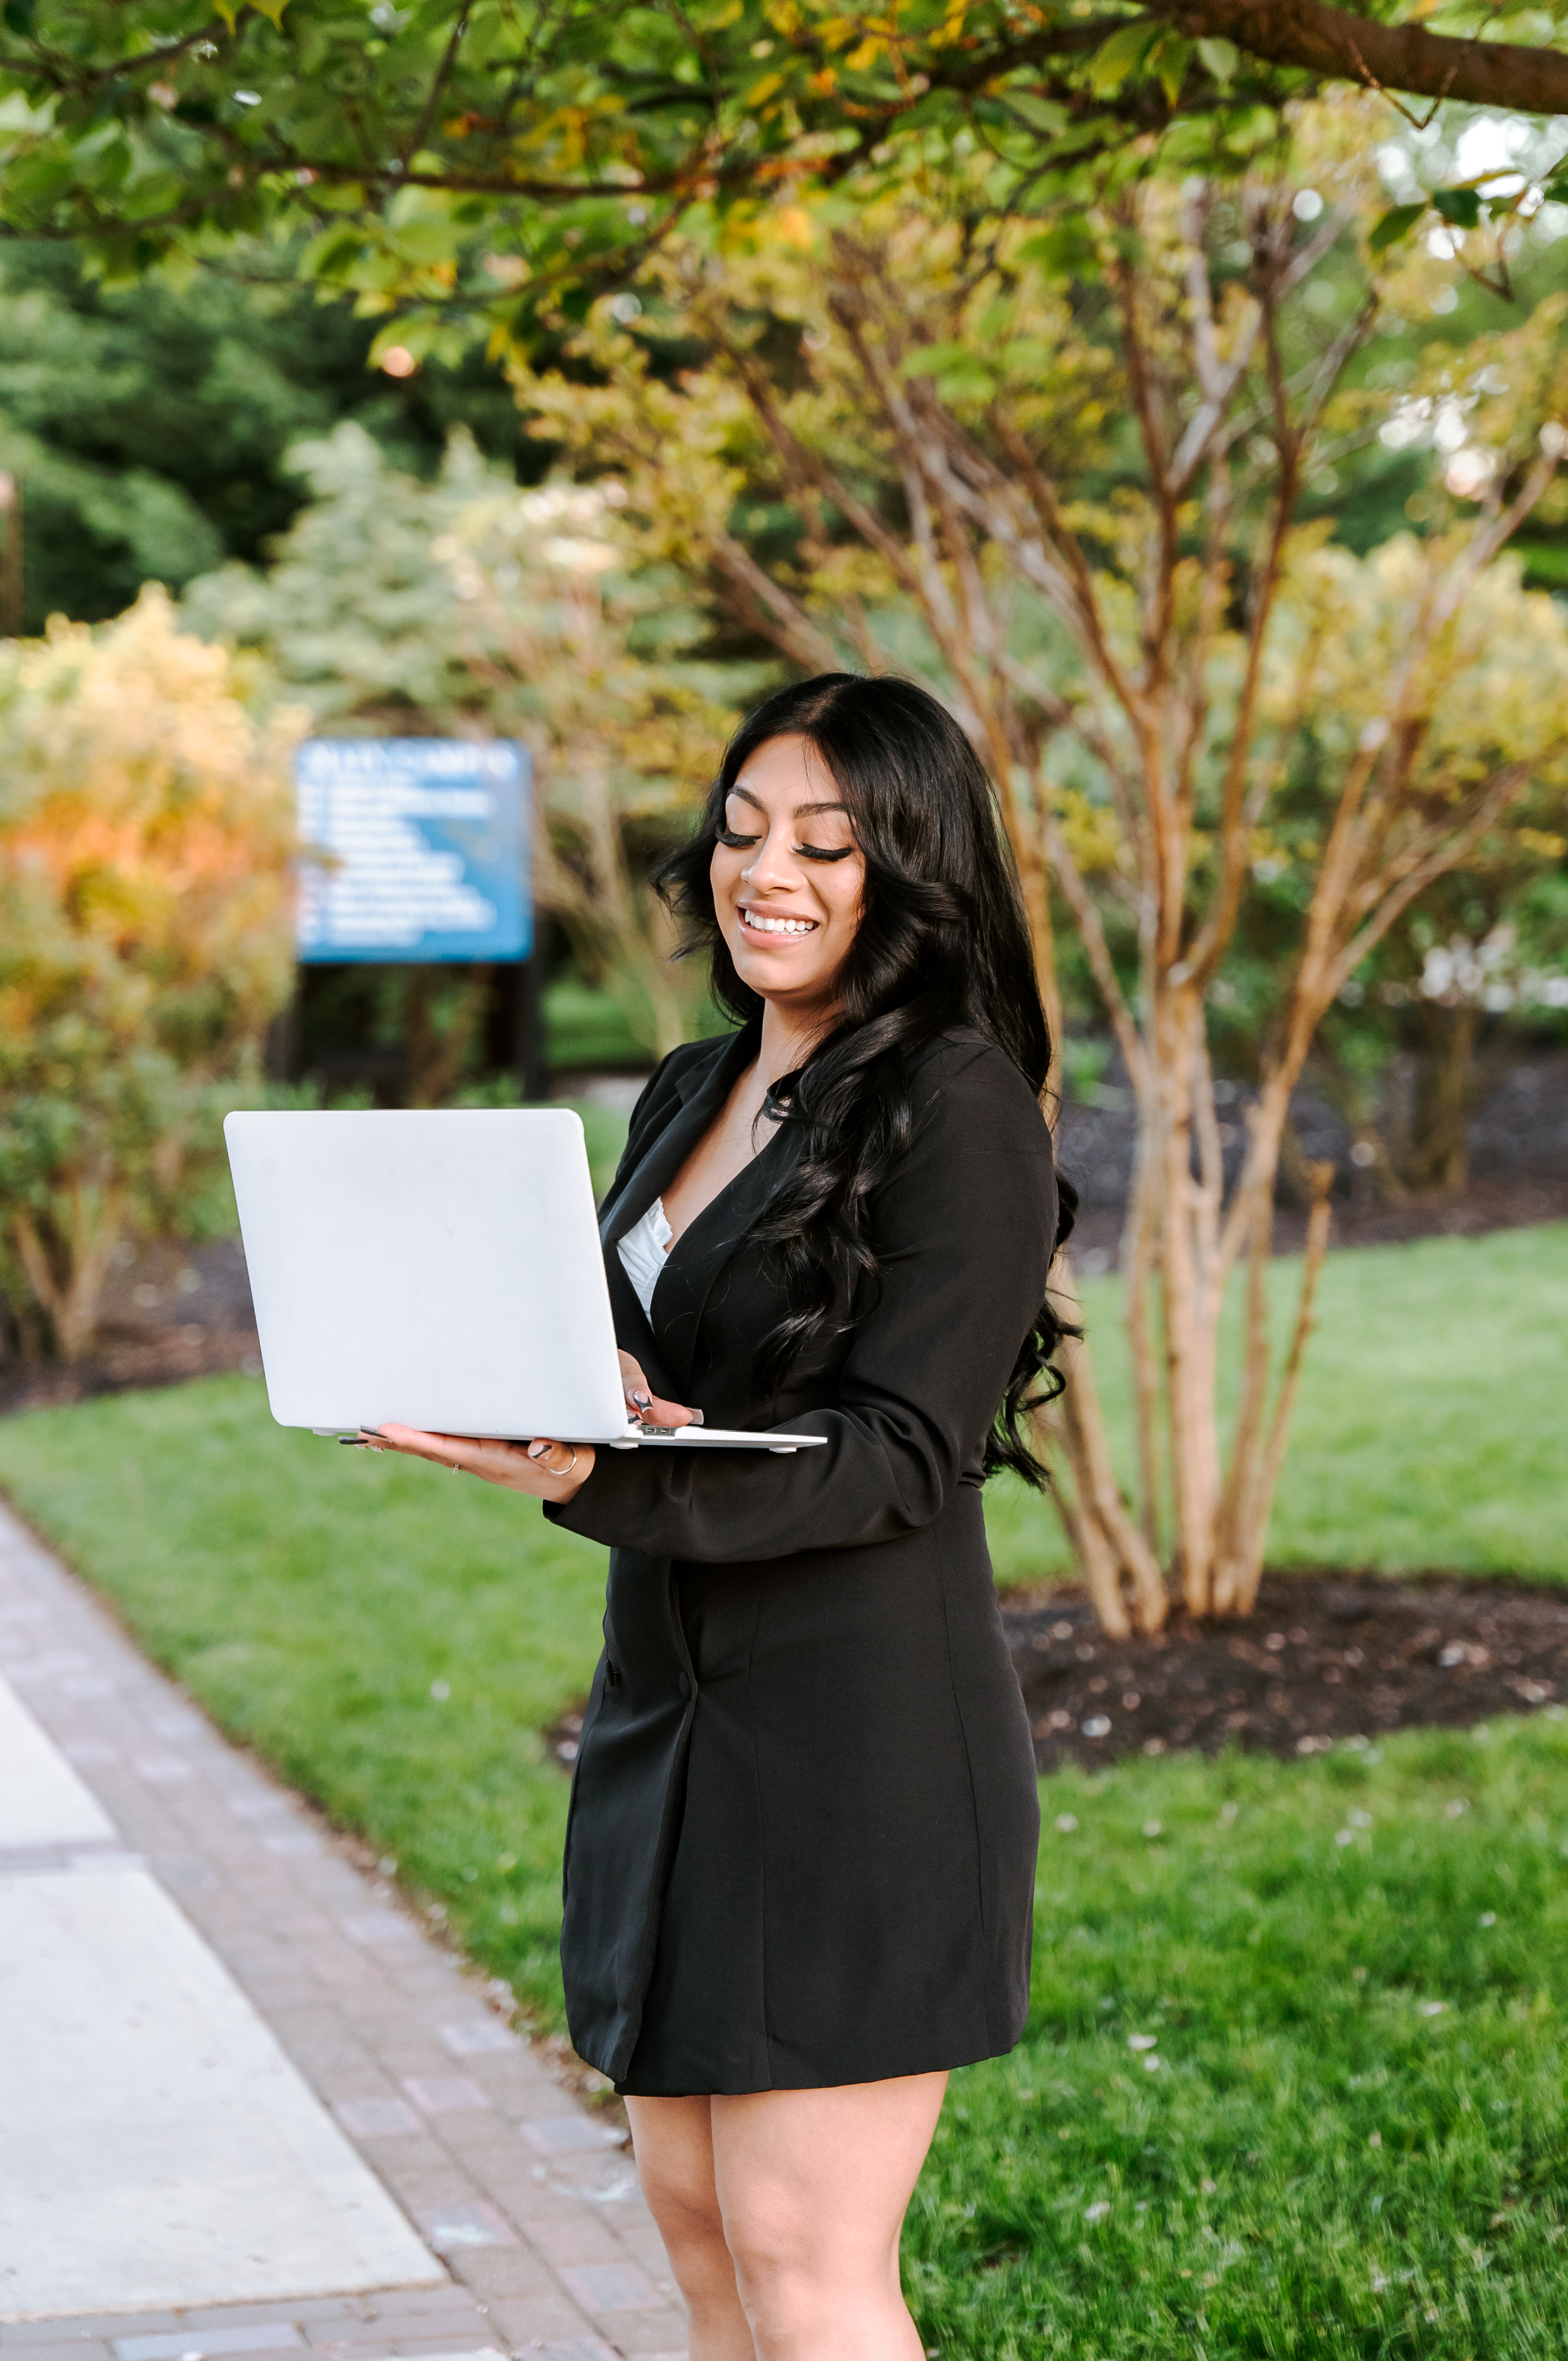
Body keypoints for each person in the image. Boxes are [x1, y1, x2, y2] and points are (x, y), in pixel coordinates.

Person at [367, 674, 1075, 2361]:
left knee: (804, 2256)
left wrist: (608, 1473)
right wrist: (568, 1395)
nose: (772, 873)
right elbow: (675, 1372)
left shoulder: (955, 1104)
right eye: (747, 832)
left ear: (913, 873)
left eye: (831, 845)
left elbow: (905, 1452)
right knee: (699, 2240)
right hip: (666, 1721)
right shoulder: (688, 1087)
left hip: (856, 1743)